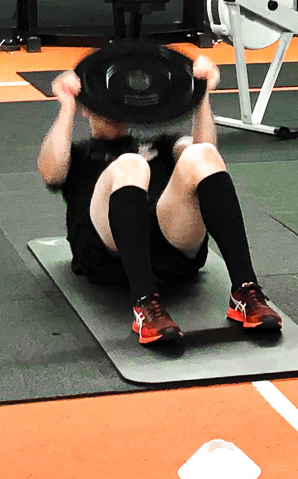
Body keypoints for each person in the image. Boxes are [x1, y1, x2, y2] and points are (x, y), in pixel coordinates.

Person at [37, 54, 282, 346]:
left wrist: (200, 95)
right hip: (106, 256)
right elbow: (51, 173)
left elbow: (207, 156)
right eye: (104, 101)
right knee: (131, 164)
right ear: (87, 110)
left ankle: (245, 290)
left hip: (171, 254)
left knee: (200, 154)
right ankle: (145, 304)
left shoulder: (159, 145)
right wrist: (67, 105)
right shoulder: (77, 154)